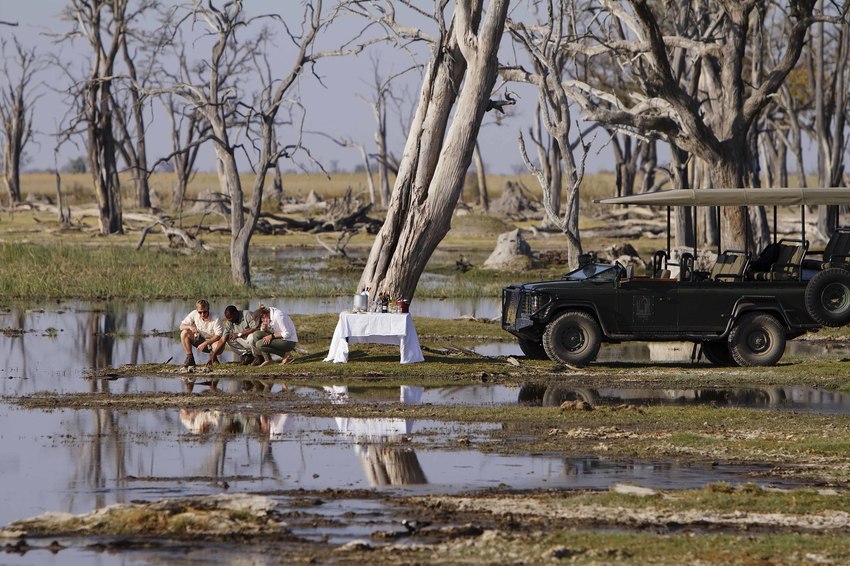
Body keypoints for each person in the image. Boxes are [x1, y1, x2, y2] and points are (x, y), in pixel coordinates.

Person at [179, 299, 224, 367]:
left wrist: (205, 343)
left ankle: (213, 357)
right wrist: (190, 327)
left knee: (217, 344)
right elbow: (181, 326)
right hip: (201, 340)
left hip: (213, 342)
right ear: (197, 310)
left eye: (205, 312)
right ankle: (190, 358)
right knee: (184, 333)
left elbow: (218, 335)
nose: (202, 314)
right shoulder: (194, 313)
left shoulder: (216, 317)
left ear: (208, 309)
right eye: (200, 312)